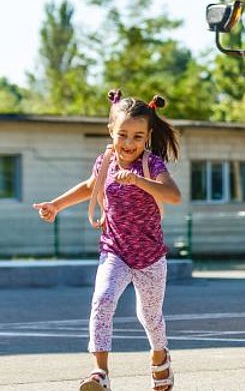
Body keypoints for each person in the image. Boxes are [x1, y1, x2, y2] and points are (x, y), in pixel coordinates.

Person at [33, 89, 181, 391]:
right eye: (123, 134)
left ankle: (159, 355)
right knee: (102, 300)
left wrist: (139, 180)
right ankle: (100, 373)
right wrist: (56, 205)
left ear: (148, 135)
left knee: (149, 315)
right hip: (114, 250)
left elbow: (174, 196)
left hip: (150, 256)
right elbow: (90, 186)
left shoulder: (152, 165)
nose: (129, 143)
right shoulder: (106, 161)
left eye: (138, 137)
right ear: (110, 130)